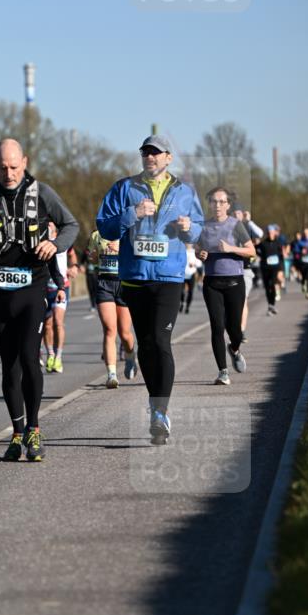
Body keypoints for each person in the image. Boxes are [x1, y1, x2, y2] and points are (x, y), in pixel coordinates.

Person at [0, 139, 79, 462]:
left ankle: (34, 428)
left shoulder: (43, 193)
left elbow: (72, 225)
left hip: (32, 286)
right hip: (0, 289)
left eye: (14, 167)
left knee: (30, 358)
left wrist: (55, 246)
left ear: (25, 162)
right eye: (2, 167)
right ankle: (16, 434)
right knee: (9, 365)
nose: (9, 173)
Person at [97, 135, 203, 444]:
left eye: (156, 153)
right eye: (146, 153)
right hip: (134, 277)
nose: (150, 157)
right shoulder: (124, 188)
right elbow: (104, 226)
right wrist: (133, 214)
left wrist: (189, 229)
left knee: (161, 339)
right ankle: (155, 404)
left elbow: (199, 229)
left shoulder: (185, 192)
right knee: (145, 344)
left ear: (169, 158)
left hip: (169, 277)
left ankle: (161, 412)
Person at [197, 188, 255, 385]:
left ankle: (235, 349)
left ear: (228, 205)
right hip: (212, 283)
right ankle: (223, 371)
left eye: (222, 202)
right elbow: (198, 248)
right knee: (217, 327)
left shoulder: (236, 225)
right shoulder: (203, 226)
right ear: (210, 204)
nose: (217, 205)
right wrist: (200, 254)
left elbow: (251, 250)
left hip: (234, 282)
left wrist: (231, 248)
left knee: (235, 330)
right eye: (214, 201)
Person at [84, 229, 137, 388]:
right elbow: (93, 259)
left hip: (124, 283)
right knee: (109, 330)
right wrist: (92, 257)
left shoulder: (128, 233)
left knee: (125, 333)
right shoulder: (96, 234)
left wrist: (122, 250)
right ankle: (111, 375)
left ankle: (130, 356)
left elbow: (138, 256)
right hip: (104, 283)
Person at [42, 223, 77, 374]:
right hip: (44, 288)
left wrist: (73, 266)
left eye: (51, 224)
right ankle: (50, 353)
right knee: (47, 324)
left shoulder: (63, 240)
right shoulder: (40, 241)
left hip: (61, 287)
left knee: (58, 321)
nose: (48, 226)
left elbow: (72, 253)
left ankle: (58, 357)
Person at [234, 210, 262, 341]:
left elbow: (260, 234)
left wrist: (249, 220)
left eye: (239, 213)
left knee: (243, 299)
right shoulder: (227, 227)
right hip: (230, 270)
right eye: (234, 213)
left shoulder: (247, 227)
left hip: (245, 270)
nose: (236, 216)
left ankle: (241, 330)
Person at [180, 245, 202, 314]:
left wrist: (194, 264)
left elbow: (199, 264)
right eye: (186, 243)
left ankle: (187, 307)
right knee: (181, 291)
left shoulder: (194, 252)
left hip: (191, 274)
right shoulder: (182, 251)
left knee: (190, 291)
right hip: (182, 274)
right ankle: (182, 303)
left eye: (189, 243)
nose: (188, 244)